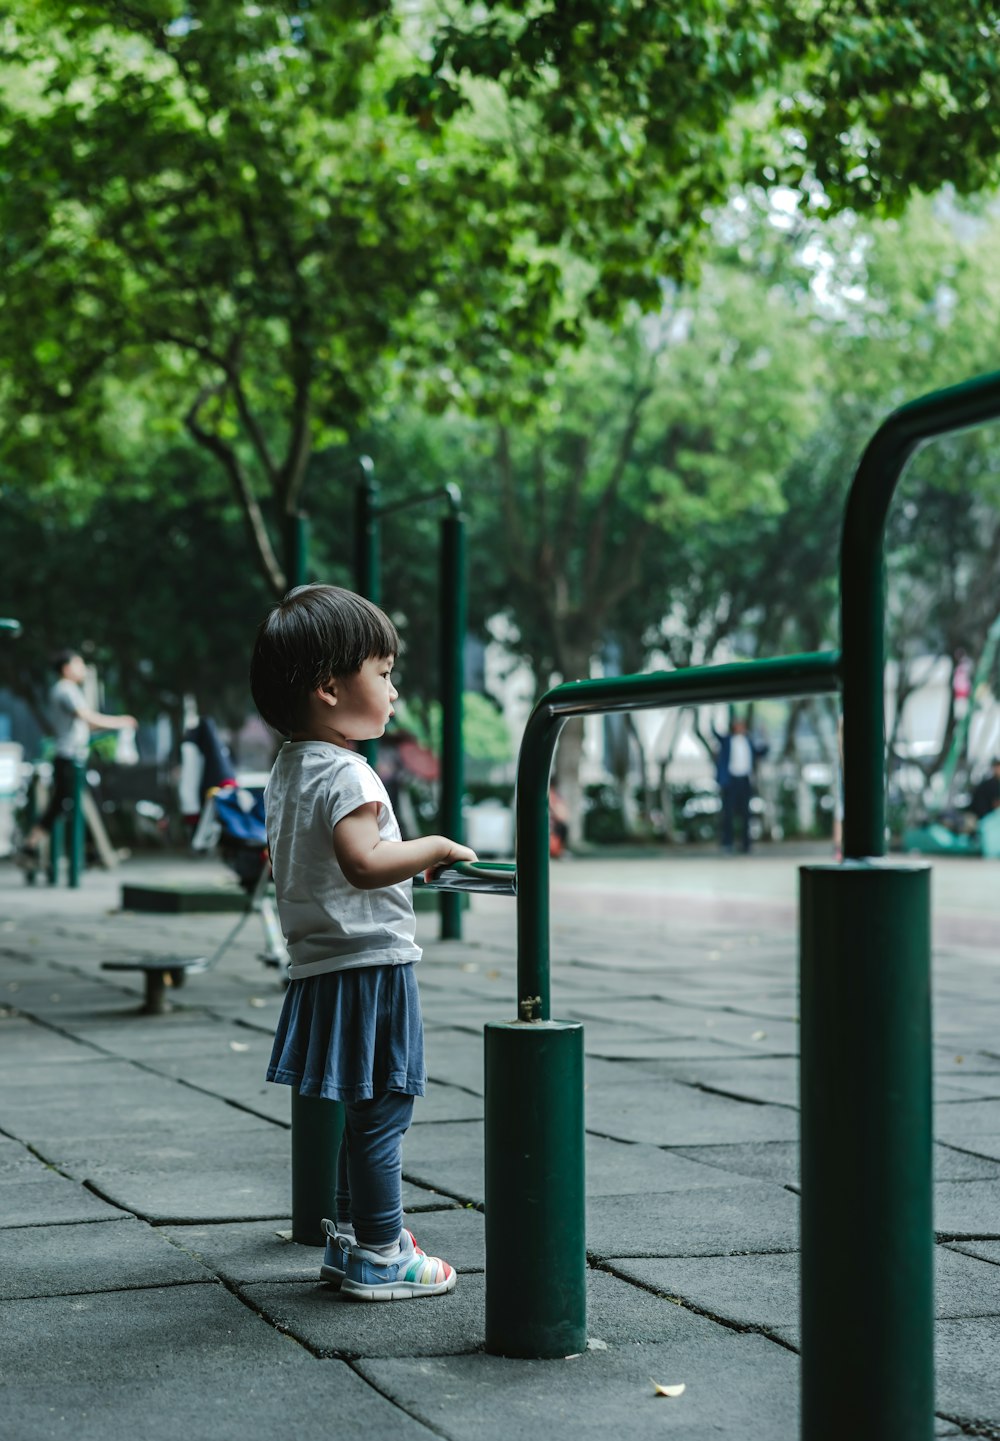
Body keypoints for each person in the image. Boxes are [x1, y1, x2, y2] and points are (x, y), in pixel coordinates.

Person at [249, 584, 477, 1302]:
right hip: (370, 962)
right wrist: (430, 845)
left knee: (357, 1106)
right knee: (385, 1107)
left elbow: (284, 861)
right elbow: (364, 861)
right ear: (328, 687)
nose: (394, 689)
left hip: (319, 962)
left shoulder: (289, 768)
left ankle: (354, 1237)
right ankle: (382, 1249)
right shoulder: (349, 772)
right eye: (382, 673)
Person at [22, 649, 137, 860]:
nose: (82, 669)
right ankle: (35, 845)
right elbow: (88, 719)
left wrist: (115, 725)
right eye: (78, 664)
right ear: (66, 668)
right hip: (68, 758)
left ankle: (88, 850)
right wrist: (120, 721)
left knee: (76, 802)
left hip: (72, 756)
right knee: (66, 803)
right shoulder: (65, 690)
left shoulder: (67, 690)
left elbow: (87, 726)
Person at [713, 714, 769, 854]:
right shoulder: (727, 740)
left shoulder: (749, 741)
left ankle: (746, 844)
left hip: (745, 780)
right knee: (728, 813)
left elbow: (761, 752)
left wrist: (765, 736)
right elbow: (714, 733)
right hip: (731, 781)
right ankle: (727, 843)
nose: (740, 727)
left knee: (746, 814)